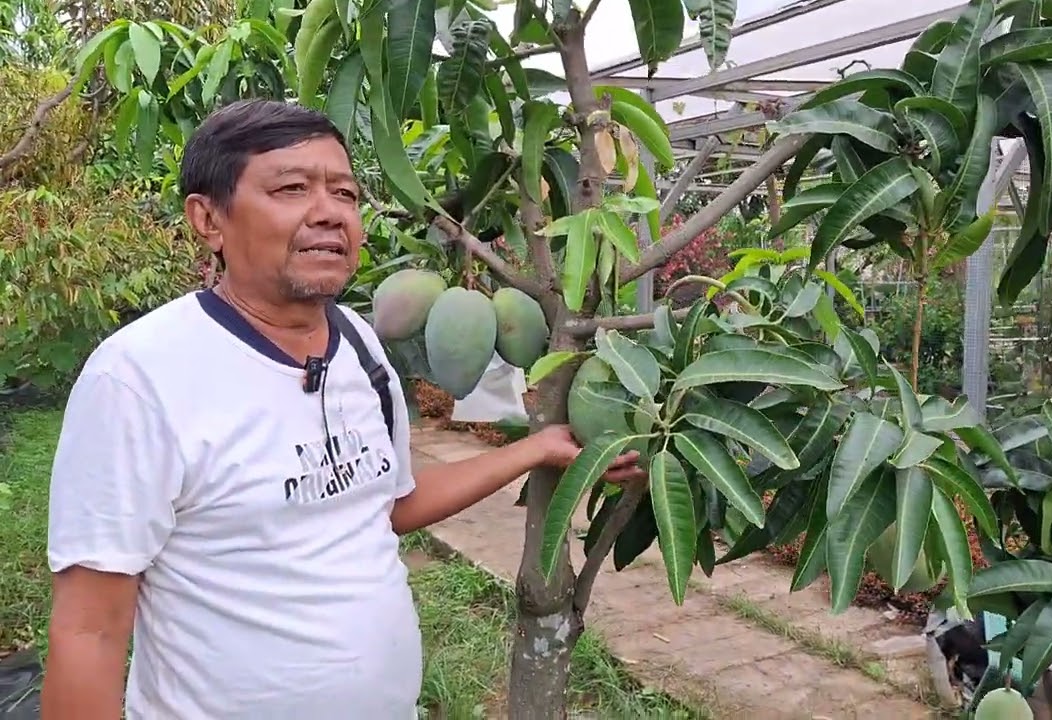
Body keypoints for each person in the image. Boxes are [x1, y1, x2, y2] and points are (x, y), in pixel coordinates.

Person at [40, 98, 645, 720]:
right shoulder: (141, 377)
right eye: (293, 188)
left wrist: (535, 450)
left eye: (346, 194)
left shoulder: (357, 342)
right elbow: (89, 632)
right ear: (208, 219)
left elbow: (385, 506)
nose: (329, 213)